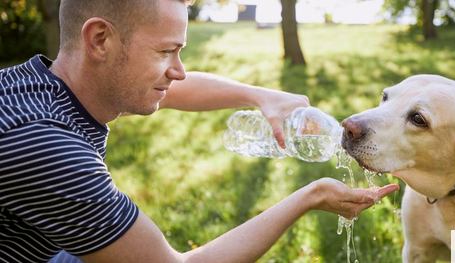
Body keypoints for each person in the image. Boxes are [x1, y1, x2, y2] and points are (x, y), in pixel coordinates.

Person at [0, 0, 399, 262]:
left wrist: (259, 95)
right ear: (99, 39)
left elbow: (173, 88)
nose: (178, 70)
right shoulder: (45, 147)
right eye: (165, 51)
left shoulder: (39, 87)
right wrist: (310, 197)